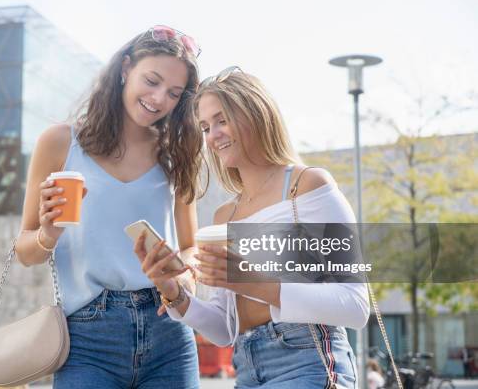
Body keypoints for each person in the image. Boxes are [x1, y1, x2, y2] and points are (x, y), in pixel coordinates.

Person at [135, 67, 370, 388]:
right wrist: (174, 294)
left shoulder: (308, 186)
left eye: (222, 120)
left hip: (307, 360)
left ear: (256, 115)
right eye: (205, 126)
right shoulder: (224, 216)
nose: (212, 135)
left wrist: (251, 281)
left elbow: (356, 306)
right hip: (246, 366)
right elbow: (223, 329)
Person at [15, 26, 202, 388]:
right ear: (125, 68)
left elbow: (192, 246)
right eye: (152, 80)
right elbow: (24, 251)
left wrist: (184, 273)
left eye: (174, 93)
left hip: (169, 332)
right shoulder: (60, 143)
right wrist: (49, 234)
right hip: (88, 338)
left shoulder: (177, 153)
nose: (159, 98)